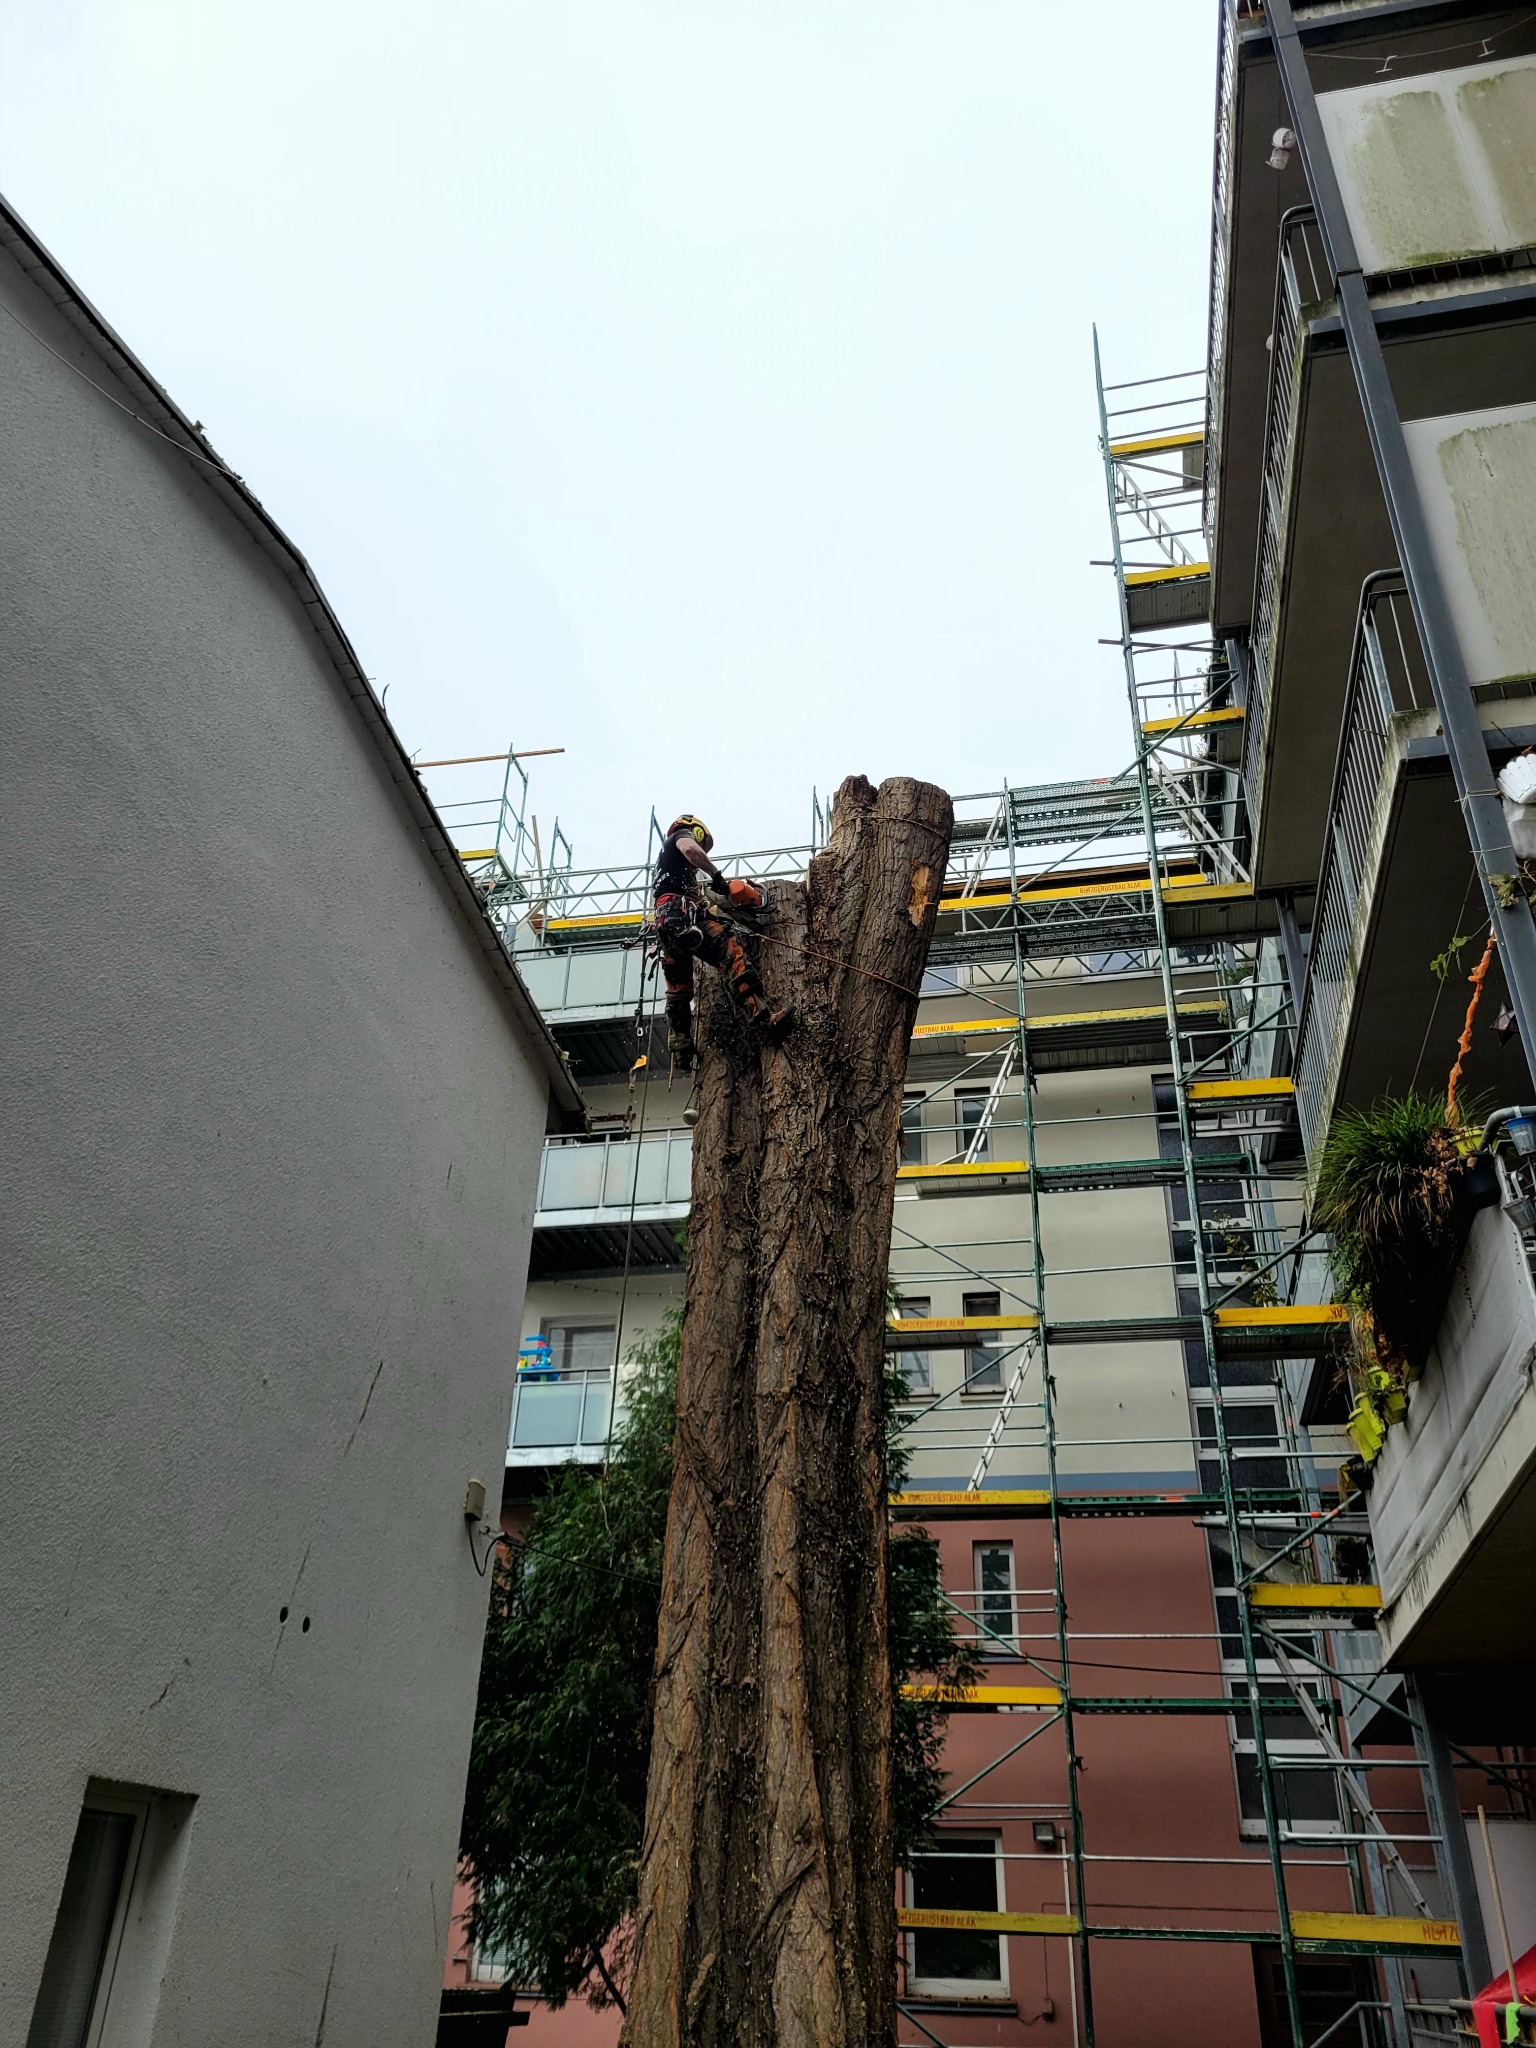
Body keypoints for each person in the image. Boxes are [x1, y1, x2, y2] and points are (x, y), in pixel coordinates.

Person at [652, 814, 791, 1061]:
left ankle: (681, 1049)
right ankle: (764, 1021)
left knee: (678, 989)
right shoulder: (680, 837)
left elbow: (715, 898)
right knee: (732, 956)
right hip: (685, 915)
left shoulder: (669, 870)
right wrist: (717, 876)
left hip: (667, 927)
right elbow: (690, 849)